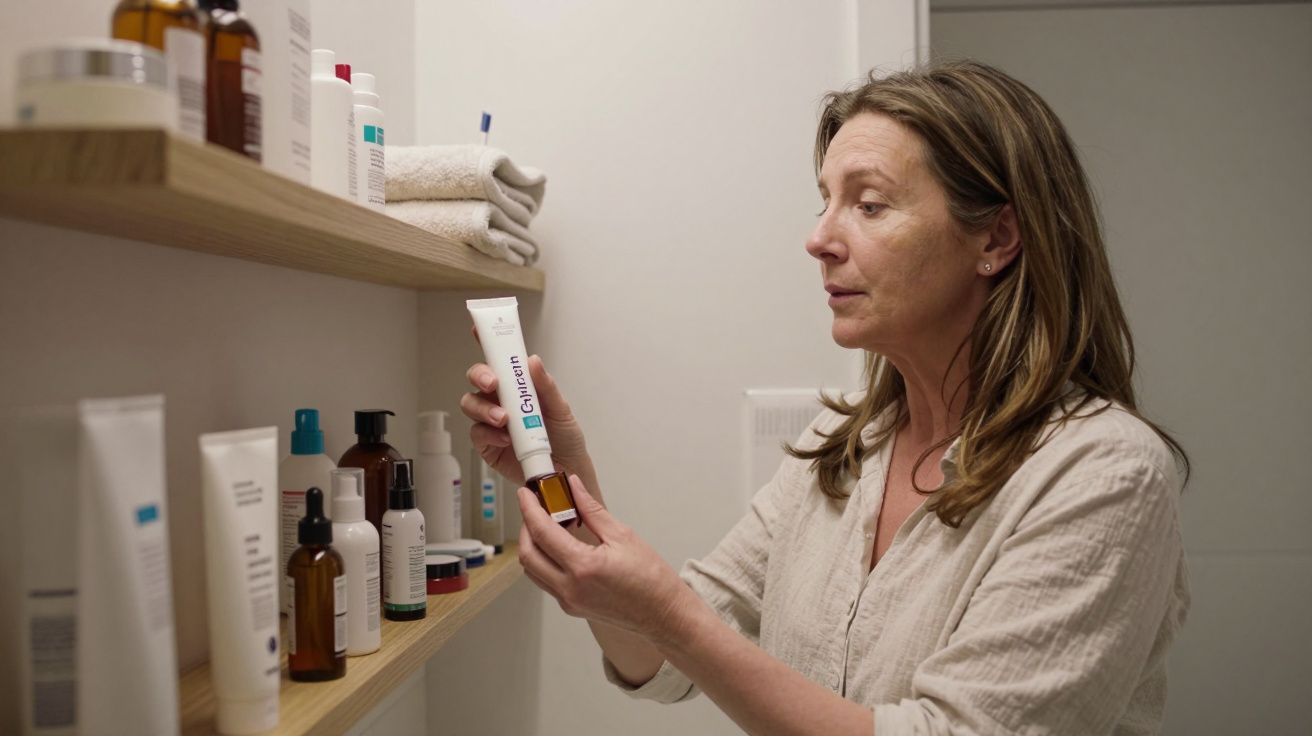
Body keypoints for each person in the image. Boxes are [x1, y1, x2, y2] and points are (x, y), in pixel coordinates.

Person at [460, 59, 1190, 735]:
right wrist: (570, 490)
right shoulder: (838, 452)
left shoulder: (1104, 474)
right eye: (825, 203)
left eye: (869, 205)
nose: (819, 239)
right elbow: (667, 659)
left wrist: (671, 616)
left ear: (995, 237)